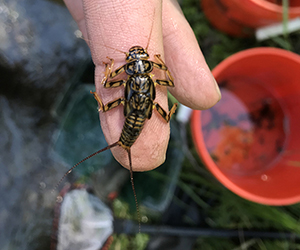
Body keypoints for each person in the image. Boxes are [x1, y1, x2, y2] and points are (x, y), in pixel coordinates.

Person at [63, 0, 221, 171]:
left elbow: (108, 82)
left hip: (133, 112)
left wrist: (109, 67)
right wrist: (161, 63)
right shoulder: (154, 75)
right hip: (140, 110)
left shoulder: (125, 77)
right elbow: (169, 81)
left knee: (110, 98)